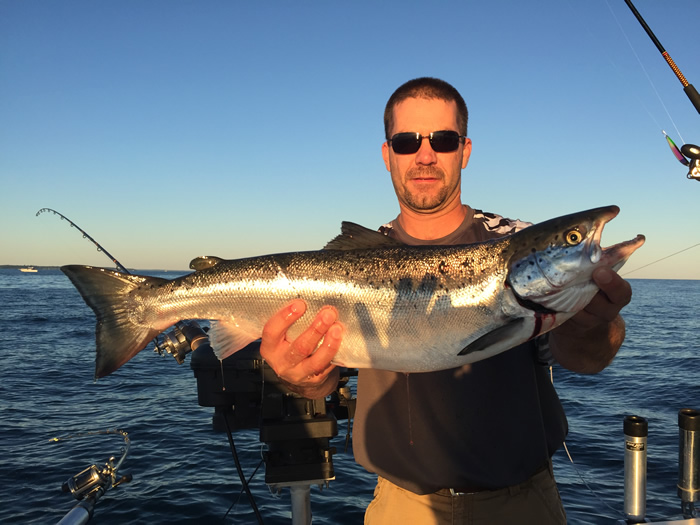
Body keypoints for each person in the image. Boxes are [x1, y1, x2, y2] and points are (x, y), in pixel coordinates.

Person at [259, 77, 632, 524]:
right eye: (405, 141)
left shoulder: (515, 241)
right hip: (401, 508)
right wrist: (305, 379)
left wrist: (592, 324)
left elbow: (586, 360)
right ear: (386, 155)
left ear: (465, 150)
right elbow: (324, 379)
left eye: (443, 139)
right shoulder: (349, 262)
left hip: (524, 503)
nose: (425, 154)